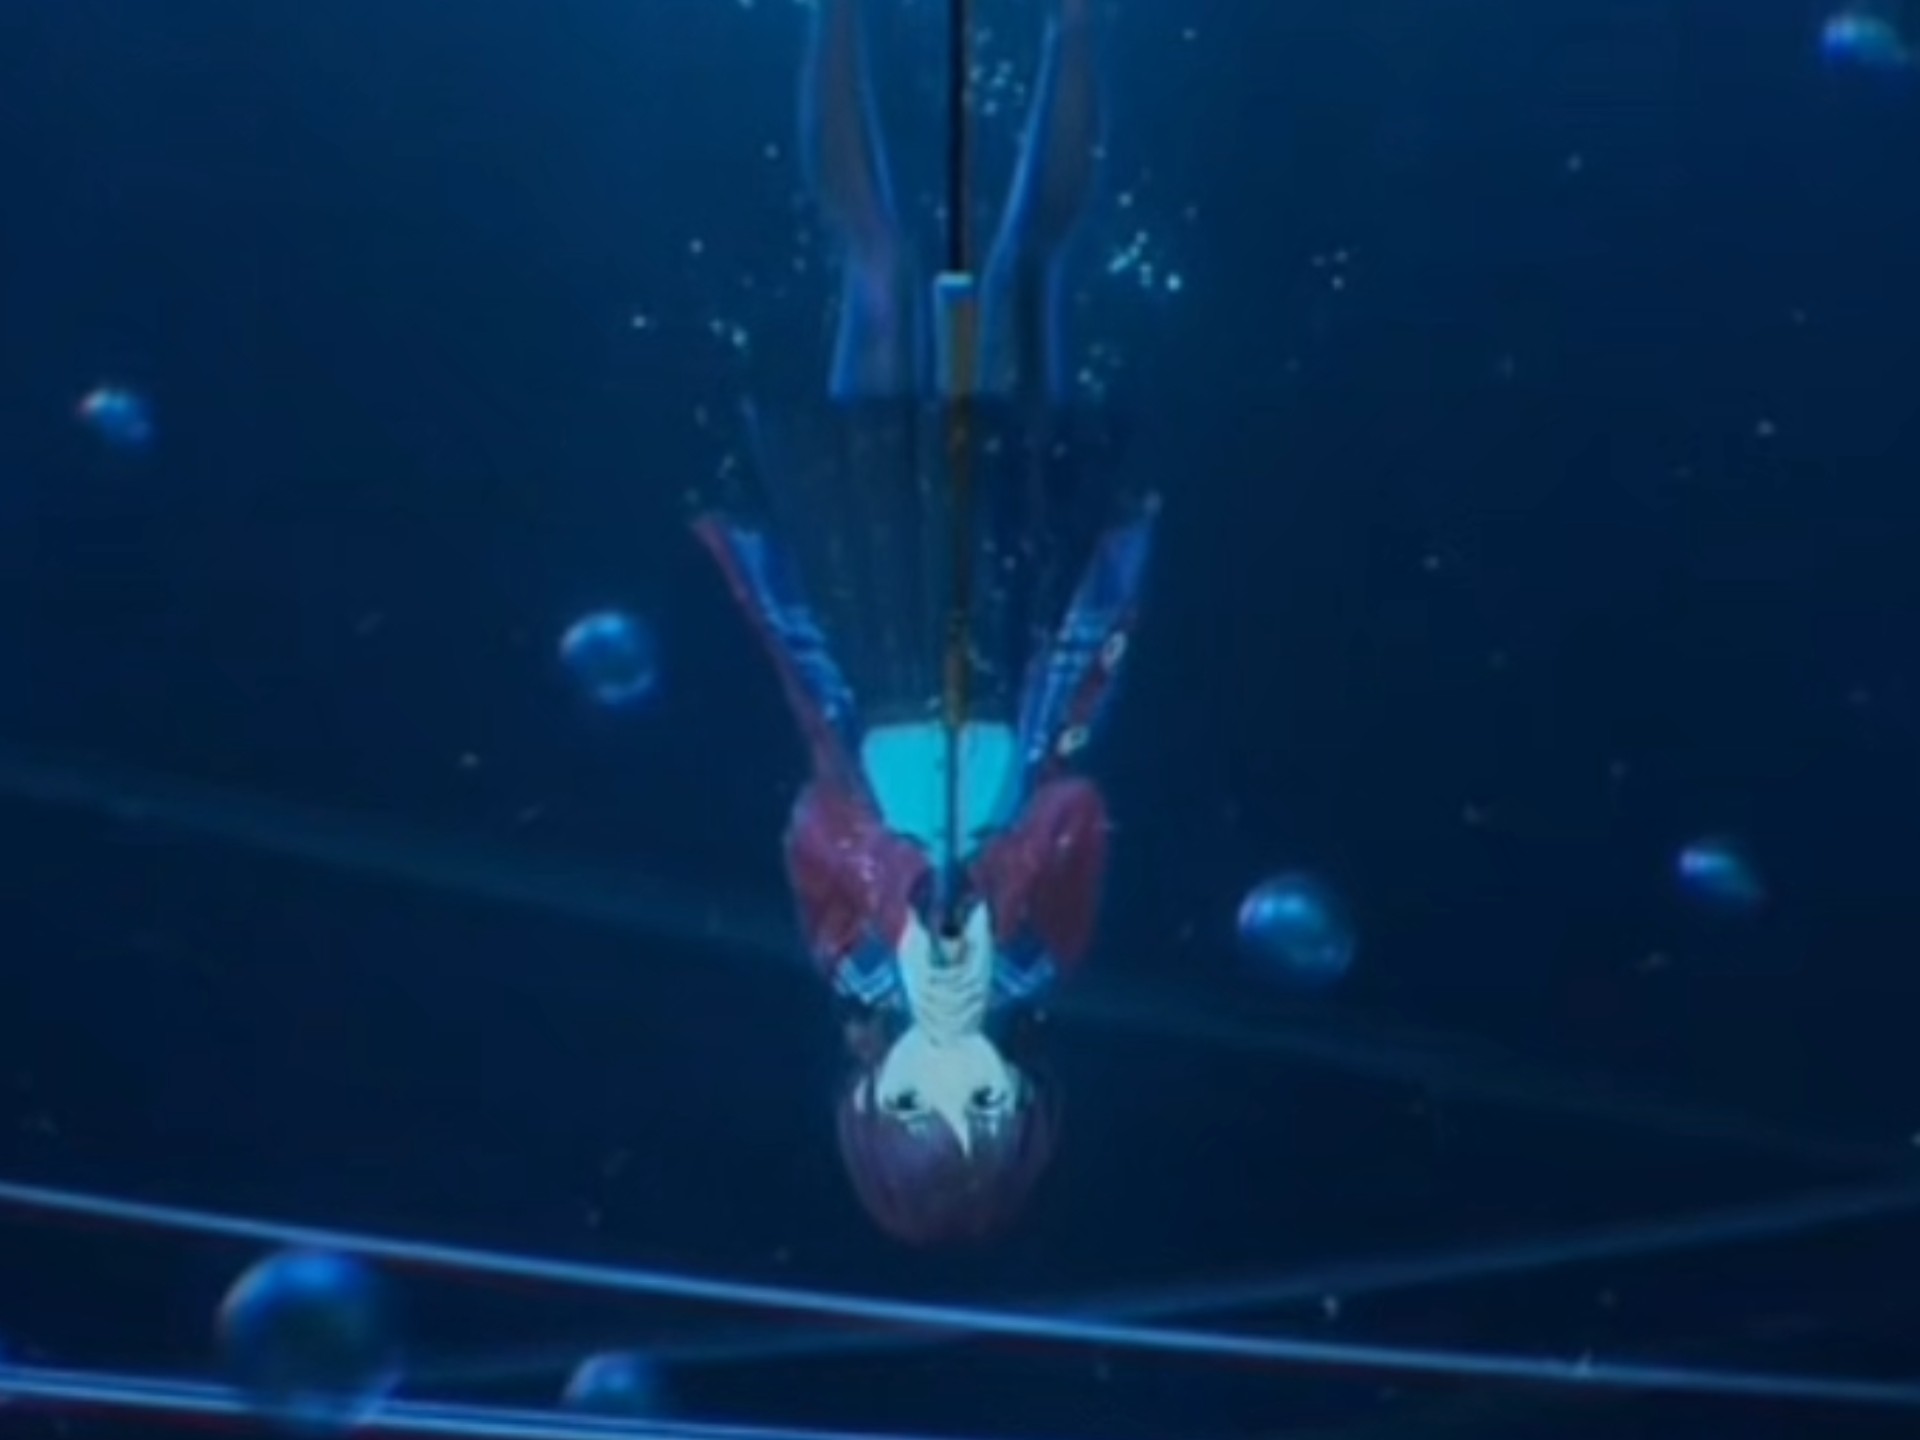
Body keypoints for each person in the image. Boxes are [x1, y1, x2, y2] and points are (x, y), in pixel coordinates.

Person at [694, 0, 1155, 1244]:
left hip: (876, 622)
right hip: (1018, 630)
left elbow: (814, 818)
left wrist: (904, 915)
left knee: (885, 277)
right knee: (1022, 276)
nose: (951, 1072)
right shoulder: (1040, 956)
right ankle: (1074, 27)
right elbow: (1077, 808)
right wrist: (991, 906)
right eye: (981, 1103)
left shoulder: (848, 955)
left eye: (915, 1100)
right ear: (1020, 1095)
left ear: (868, 1094)